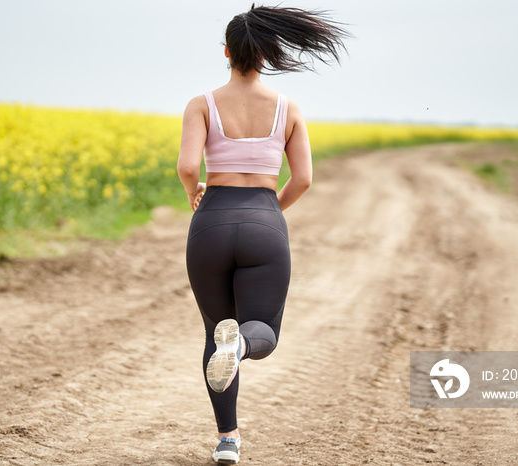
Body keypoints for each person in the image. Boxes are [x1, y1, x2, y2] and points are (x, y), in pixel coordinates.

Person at [177, 4, 350, 464]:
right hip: (264, 222)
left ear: (228, 52)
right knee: (262, 332)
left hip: (210, 221)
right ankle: (244, 348)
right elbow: (304, 178)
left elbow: (188, 166)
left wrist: (193, 191)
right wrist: (270, 210)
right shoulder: (288, 109)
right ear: (267, 56)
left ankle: (227, 439)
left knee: (216, 332)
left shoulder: (202, 104)